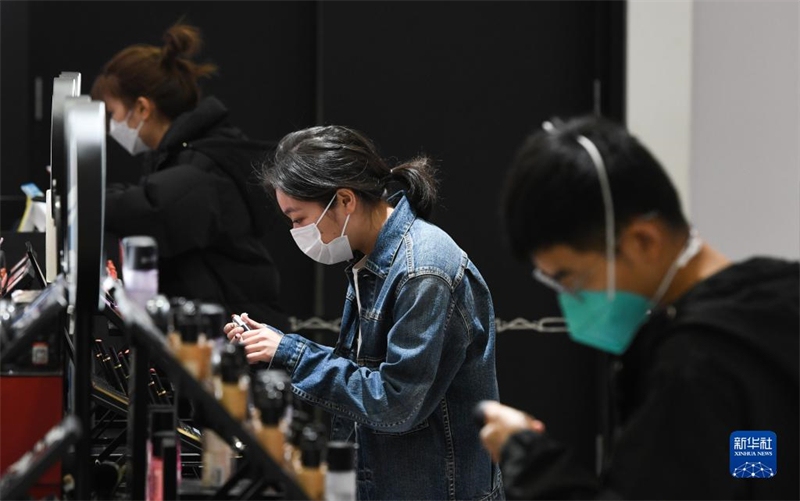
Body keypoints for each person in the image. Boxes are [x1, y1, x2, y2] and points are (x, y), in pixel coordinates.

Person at [483, 115, 799, 500]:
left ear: (643, 240)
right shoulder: (780, 294)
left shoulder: (693, 366)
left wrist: (526, 457)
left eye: (571, 279)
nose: (569, 301)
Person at [224, 125, 504, 500]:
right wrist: (274, 348)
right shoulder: (370, 259)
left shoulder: (424, 270)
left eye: (299, 218)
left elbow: (394, 403)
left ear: (344, 200)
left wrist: (290, 354)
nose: (295, 232)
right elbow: (363, 378)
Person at [91, 23, 288, 330]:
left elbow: (151, 209)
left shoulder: (203, 165)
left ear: (142, 107)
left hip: (239, 333)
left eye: (113, 114)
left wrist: (83, 197)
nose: (111, 126)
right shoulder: (186, 154)